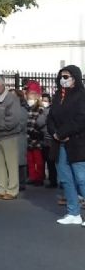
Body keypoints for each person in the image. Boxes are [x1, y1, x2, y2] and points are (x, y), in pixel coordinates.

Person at [47, 66, 85, 226]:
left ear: (75, 78)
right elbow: (50, 117)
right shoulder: (57, 96)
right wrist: (56, 133)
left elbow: (80, 119)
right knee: (66, 179)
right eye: (62, 76)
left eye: (67, 76)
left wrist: (63, 133)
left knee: (81, 178)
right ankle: (73, 212)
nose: (64, 79)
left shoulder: (82, 96)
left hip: (77, 142)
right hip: (60, 143)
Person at [0, 76, 25, 201]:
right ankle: (1, 189)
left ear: (2, 85)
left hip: (9, 136)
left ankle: (12, 190)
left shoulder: (11, 99)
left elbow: (13, 119)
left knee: (11, 164)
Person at [25, 82, 48, 186]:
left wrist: (37, 131)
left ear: (38, 96)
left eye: (34, 94)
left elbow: (42, 122)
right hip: (27, 137)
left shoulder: (40, 108)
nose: (31, 96)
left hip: (36, 137)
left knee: (38, 160)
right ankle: (32, 176)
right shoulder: (26, 107)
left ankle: (39, 177)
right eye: (30, 93)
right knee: (29, 159)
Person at [40, 93, 58, 188]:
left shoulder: (47, 110)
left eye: (46, 100)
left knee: (50, 161)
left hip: (49, 138)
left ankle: (53, 180)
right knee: (52, 161)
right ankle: (54, 180)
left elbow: (40, 122)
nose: (44, 102)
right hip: (51, 137)